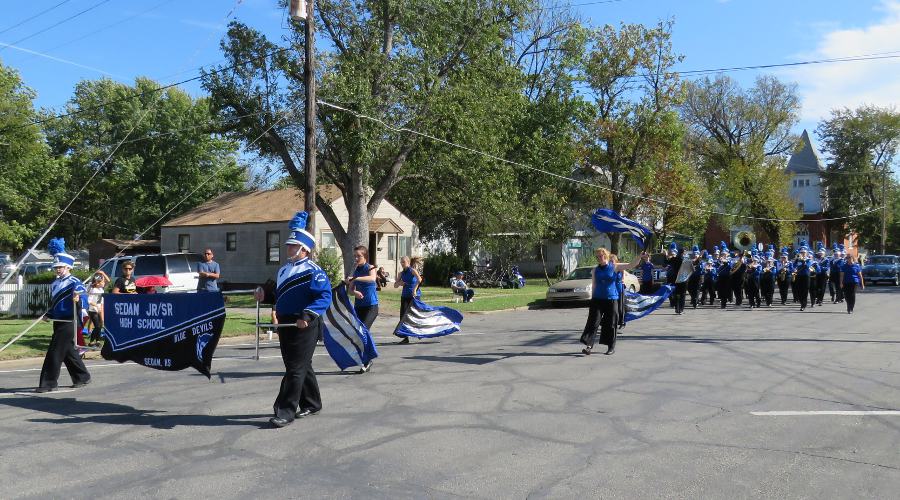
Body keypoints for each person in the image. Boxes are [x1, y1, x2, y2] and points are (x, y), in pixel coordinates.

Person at [253, 211, 331, 428]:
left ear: (304, 249)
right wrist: (265, 295)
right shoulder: (283, 270)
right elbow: (280, 295)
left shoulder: (314, 271)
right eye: (288, 245)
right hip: (286, 324)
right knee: (299, 365)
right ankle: (312, 403)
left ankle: (285, 410)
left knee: (295, 368)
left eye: (293, 246)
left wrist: (306, 316)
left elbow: (325, 296)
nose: (288, 249)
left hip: (304, 324)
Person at [37, 238, 91, 393]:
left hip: (70, 321)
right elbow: (56, 304)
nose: (58, 269)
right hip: (58, 321)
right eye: (56, 267)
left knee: (55, 351)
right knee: (67, 351)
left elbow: (84, 298)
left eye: (60, 267)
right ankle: (82, 376)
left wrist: (78, 298)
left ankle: (48, 383)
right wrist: (49, 314)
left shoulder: (75, 281)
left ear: (68, 267)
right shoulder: (55, 284)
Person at [580, 249, 642, 356]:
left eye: (602, 255)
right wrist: (592, 298)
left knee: (611, 324)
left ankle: (610, 347)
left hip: (611, 299)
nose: (600, 258)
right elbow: (594, 284)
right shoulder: (595, 270)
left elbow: (631, 265)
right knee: (593, 322)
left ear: (607, 256)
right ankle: (589, 346)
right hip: (597, 300)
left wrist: (640, 256)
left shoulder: (614, 266)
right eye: (598, 256)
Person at [346, 246, 379, 329]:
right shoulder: (356, 270)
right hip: (359, 306)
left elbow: (372, 278)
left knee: (364, 330)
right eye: (355, 256)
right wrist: (354, 292)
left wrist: (356, 278)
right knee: (357, 331)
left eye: (358, 256)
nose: (356, 258)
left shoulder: (370, 267)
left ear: (365, 256)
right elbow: (350, 290)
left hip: (371, 306)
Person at [393, 256, 423, 344]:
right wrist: (399, 283)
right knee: (403, 316)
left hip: (414, 296)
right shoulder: (401, 273)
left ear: (408, 262)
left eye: (403, 262)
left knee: (416, 315)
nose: (402, 264)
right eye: (401, 262)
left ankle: (419, 332)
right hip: (405, 296)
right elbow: (395, 285)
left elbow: (419, 280)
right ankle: (405, 337)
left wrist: (414, 289)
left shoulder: (412, 270)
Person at [85, 271, 109, 346]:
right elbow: (89, 301)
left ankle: (96, 341)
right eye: (102, 281)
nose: (104, 283)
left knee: (99, 326)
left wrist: (103, 273)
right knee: (97, 326)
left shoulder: (101, 289)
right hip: (93, 310)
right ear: (98, 283)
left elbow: (108, 281)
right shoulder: (93, 290)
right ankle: (93, 341)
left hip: (99, 309)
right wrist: (96, 306)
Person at [664, 243, 687, 314]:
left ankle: (677, 309)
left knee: (676, 294)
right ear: (683, 253)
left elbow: (666, 262)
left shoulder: (674, 259)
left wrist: (665, 255)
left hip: (675, 278)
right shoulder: (685, 260)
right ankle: (681, 309)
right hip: (683, 279)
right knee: (682, 295)